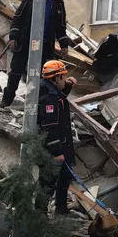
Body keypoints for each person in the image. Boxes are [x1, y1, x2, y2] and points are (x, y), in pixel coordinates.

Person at [1, 0, 69, 107]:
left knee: (43, 76)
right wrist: (13, 37)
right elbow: (17, 19)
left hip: (45, 45)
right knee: (15, 72)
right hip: (25, 42)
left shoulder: (58, 3)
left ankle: (37, 105)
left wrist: (64, 45)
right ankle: (6, 100)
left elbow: (60, 27)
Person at [37, 59, 77, 216]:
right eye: (63, 77)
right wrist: (57, 152)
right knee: (48, 183)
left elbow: (59, 96)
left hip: (63, 145)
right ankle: (39, 215)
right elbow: (49, 128)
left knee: (64, 178)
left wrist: (67, 86)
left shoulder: (50, 91)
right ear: (55, 78)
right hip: (54, 149)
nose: (64, 79)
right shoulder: (48, 99)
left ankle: (62, 209)